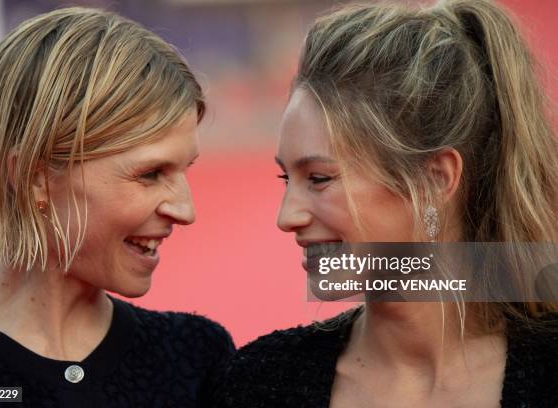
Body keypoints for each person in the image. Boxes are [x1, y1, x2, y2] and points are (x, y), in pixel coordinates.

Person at [210, 0, 558, 406]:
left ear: (435, 179)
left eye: (319, 179)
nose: (287, 218)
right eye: (287, 178)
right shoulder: (259, 383)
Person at [0, 7, 233, 407]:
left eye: (185, 170)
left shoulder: (196, 356)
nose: (185, 211)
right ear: (34, 178)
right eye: (150, 173)